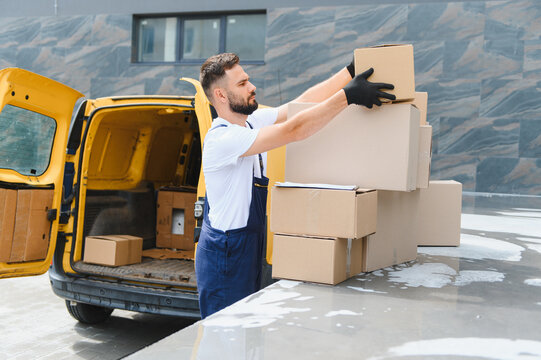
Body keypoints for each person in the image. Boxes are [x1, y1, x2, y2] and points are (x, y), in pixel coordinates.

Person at [195, 52, 395, 319]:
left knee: (243, 340)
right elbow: (295, 130)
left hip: (244, 249)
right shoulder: (223, 139)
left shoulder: (249, 123)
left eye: (248, 80)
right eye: (242, 84)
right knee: (225, 340)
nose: (252, 87)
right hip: (225, 259)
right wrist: (348, 97)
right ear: (221, 95)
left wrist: (348, 73)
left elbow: (299, 105)